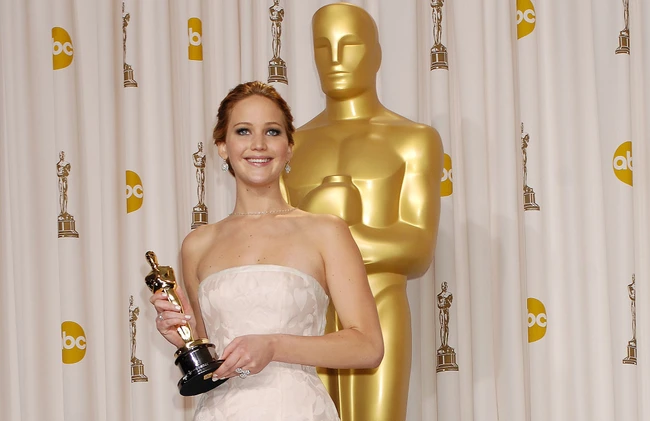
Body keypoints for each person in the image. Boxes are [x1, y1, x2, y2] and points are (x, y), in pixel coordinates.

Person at [150, 81, 383, 421]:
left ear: (289, 147)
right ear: (222, 146)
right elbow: (214, 357)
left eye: (272, 132)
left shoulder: (325, 231)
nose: (258, 144)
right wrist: (185, 338)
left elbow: (368, 347)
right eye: (243, 131)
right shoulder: (197, 244)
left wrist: (273, 346)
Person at [283, 4, 443, 421]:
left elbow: (417, 247)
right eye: (323, 47)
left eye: (349, 45)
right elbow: (277, 240)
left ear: (376, 53)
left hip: (380, 302)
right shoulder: (290, 146)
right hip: (307, 315)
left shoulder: (413, 139)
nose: (335, 59)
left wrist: (328, 236)